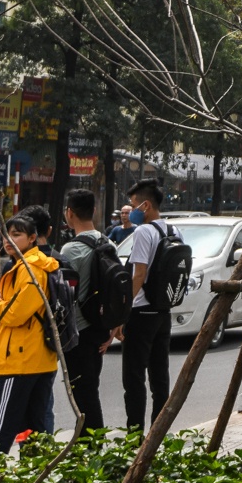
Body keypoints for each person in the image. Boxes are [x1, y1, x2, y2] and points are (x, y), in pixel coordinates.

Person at [0, 211, 60, 452]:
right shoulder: (30, 265)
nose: (8, 240)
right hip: (38, 358)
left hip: (21, 358)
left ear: (32, 238)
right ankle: (37, 478)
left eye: (16, 235)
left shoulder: (31, 268)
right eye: (5, 235)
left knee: (0, 423)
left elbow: (15, 314)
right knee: (34, 426)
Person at [114, 179, 178, 429]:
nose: (132, 211)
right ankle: (158, 432)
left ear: (146, 205)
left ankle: (135, 436)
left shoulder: (143, 232)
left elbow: (138, 275)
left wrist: (122, 313)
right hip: (163, 311)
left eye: (133, 205)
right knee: (160, 377)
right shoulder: (174, 231)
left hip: (140, 313)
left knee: (134, 378)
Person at [57, 189, 116, 431]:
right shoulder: (108, 242)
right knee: (90, 390)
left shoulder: (70, 250)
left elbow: (62, 296)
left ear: (69, 213)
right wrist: (113, 328)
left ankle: (92, 449)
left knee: (84, 396)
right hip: (100, 329)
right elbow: (116, 289)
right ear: (94, 210)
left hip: (78, 333)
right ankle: (90, 446)